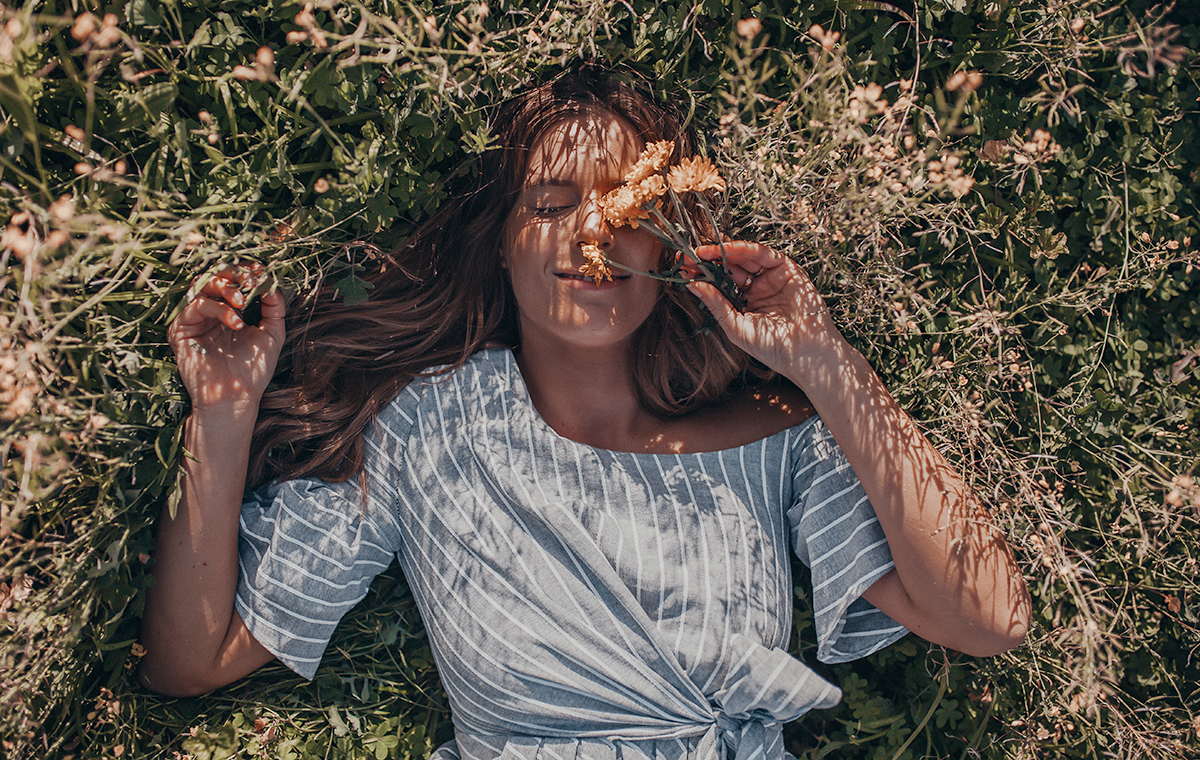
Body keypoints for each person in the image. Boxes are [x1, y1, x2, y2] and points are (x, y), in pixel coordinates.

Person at [139, 65, 1030, 760]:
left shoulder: (774, 434)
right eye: (552, 205)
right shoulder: (429, 431)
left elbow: (986, 620)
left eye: (627, 209)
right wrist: (220, 416)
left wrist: (827, 362)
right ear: (502, 238)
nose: (592, 236)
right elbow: (193, 659)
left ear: (671, 242)